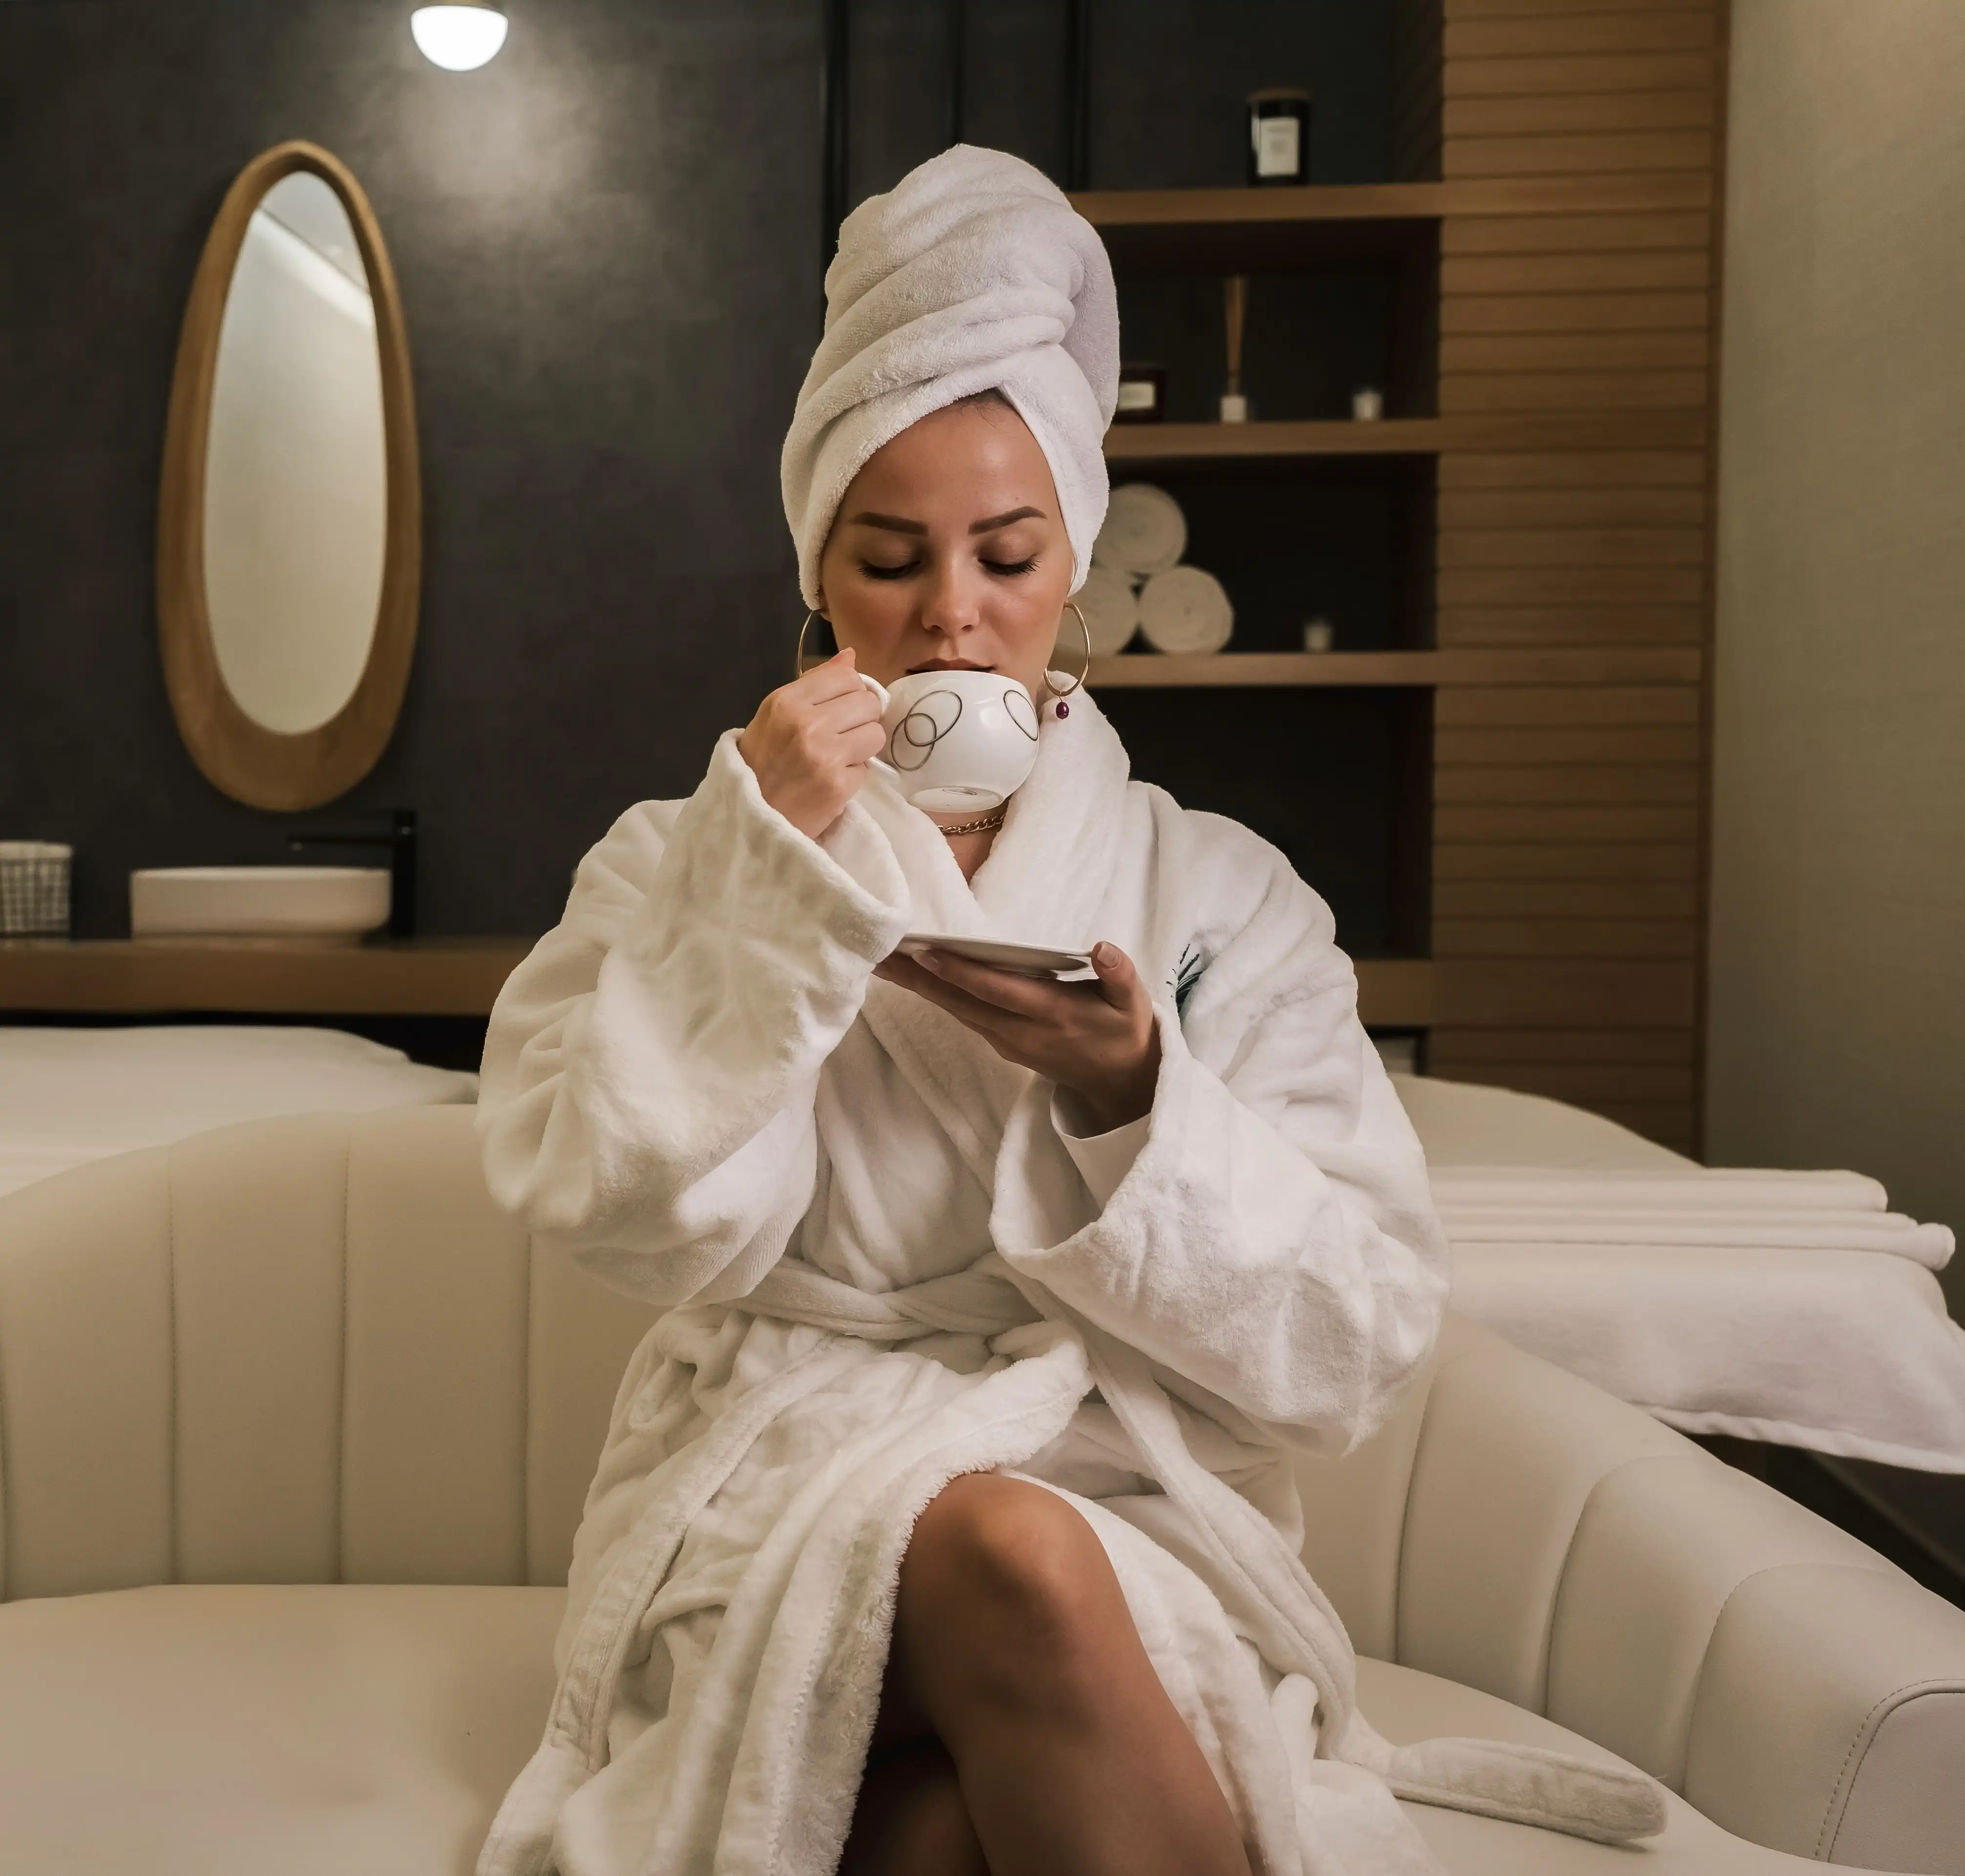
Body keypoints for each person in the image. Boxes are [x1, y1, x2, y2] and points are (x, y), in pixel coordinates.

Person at [474, 147, 1661, 1876]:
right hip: (780, 1485)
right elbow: (625, 1217)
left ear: (1073, 580)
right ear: (817, 587)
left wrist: (1132, 1106)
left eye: (1003, 556)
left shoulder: (1223, 896)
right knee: (1003, 1561)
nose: (950, 613)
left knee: (952, 1820)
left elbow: (1358, 1342)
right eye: (887, 561)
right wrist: (765, 880)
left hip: (1120, 1492)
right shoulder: (686, 857)